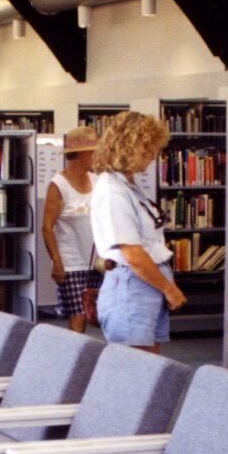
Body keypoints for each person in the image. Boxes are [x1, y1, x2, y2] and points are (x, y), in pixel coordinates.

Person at [90, 112, 186, 354]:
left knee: (150, 367)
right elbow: (132, 254)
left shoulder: (128, 185)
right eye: (147, 149)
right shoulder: (113, 192)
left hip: (144, 284)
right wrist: (168, 289)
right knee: (136, 373)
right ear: (128, 148)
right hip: (132, 286)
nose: (153, 156)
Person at [41, 126, 103, 334]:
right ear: (82, 154)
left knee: (100, 314)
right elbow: (47, 227)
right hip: (71, 264)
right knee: (79, 316)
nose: (97, 156)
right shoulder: (58, 185)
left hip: (97, 263)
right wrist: (56, 261)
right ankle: (74, 362)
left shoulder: (97, 181)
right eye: (93, 151)